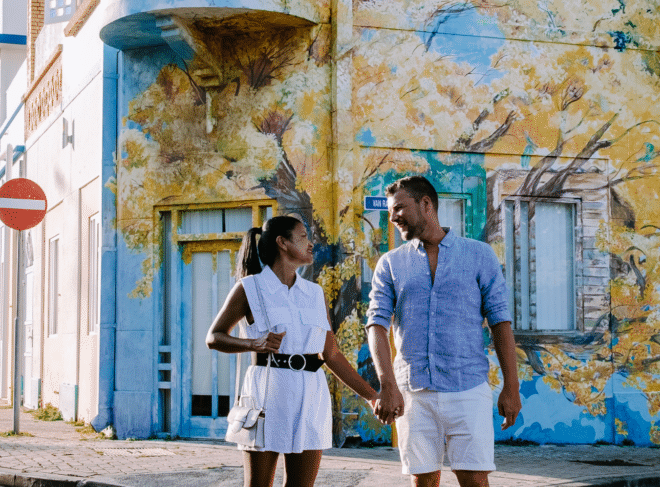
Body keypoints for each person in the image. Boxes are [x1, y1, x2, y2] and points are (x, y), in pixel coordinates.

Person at [366, 176, 521, 487]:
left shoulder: (478, 255)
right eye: (390, 212)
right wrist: (387, 384)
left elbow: (500, 322)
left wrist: (511, 386)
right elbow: (377, 325)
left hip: (467, 388)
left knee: (475, 480)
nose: (393, 217)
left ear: (426, 205)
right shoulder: (391, 263)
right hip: (415, 393)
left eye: (399, 208)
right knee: (423, 481)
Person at [207, 215, 379, 487]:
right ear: (282, 243)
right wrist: (254, 344)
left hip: (311, 391)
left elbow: (330, 354)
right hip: (267, 390)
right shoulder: (250, 288)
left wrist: (372, 396)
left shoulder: (313, 293)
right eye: (303, 237)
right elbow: (214, 337)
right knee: (258, 484)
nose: (311, 244)